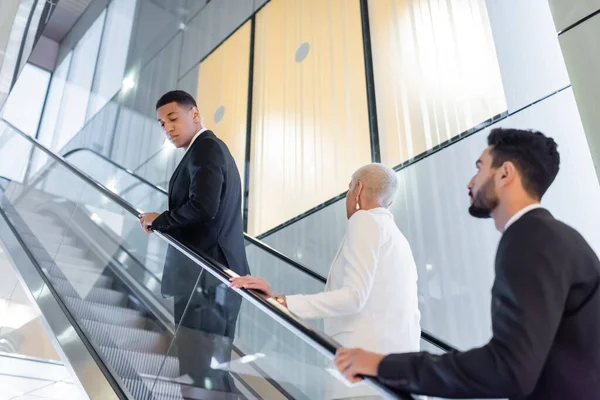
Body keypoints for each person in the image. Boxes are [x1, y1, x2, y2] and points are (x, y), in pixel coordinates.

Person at [334, 128, 600, 399]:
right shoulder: (558, 238)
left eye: (479, 167)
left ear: (505, 173)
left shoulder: (529, 239)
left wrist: (382, 364)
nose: (470, 182)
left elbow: (508, 369)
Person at [231, 163, 421, 398]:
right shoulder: (399, 241)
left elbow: (354, 297)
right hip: (395, 376)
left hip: (359, 375)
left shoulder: (365, 220)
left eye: (349, 189)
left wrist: (282, 302)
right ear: (389, 203)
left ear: (358, 189)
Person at [138, 90, 250, 395]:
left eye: (173, 118)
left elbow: (203, 206)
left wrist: (160, 220)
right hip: (212, 280)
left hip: (206, 280)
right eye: (162, 124)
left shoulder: (206, 149)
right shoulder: (207, 150)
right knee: (207, 372)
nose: (168, 128)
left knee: (199, 372)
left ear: (195, 114)